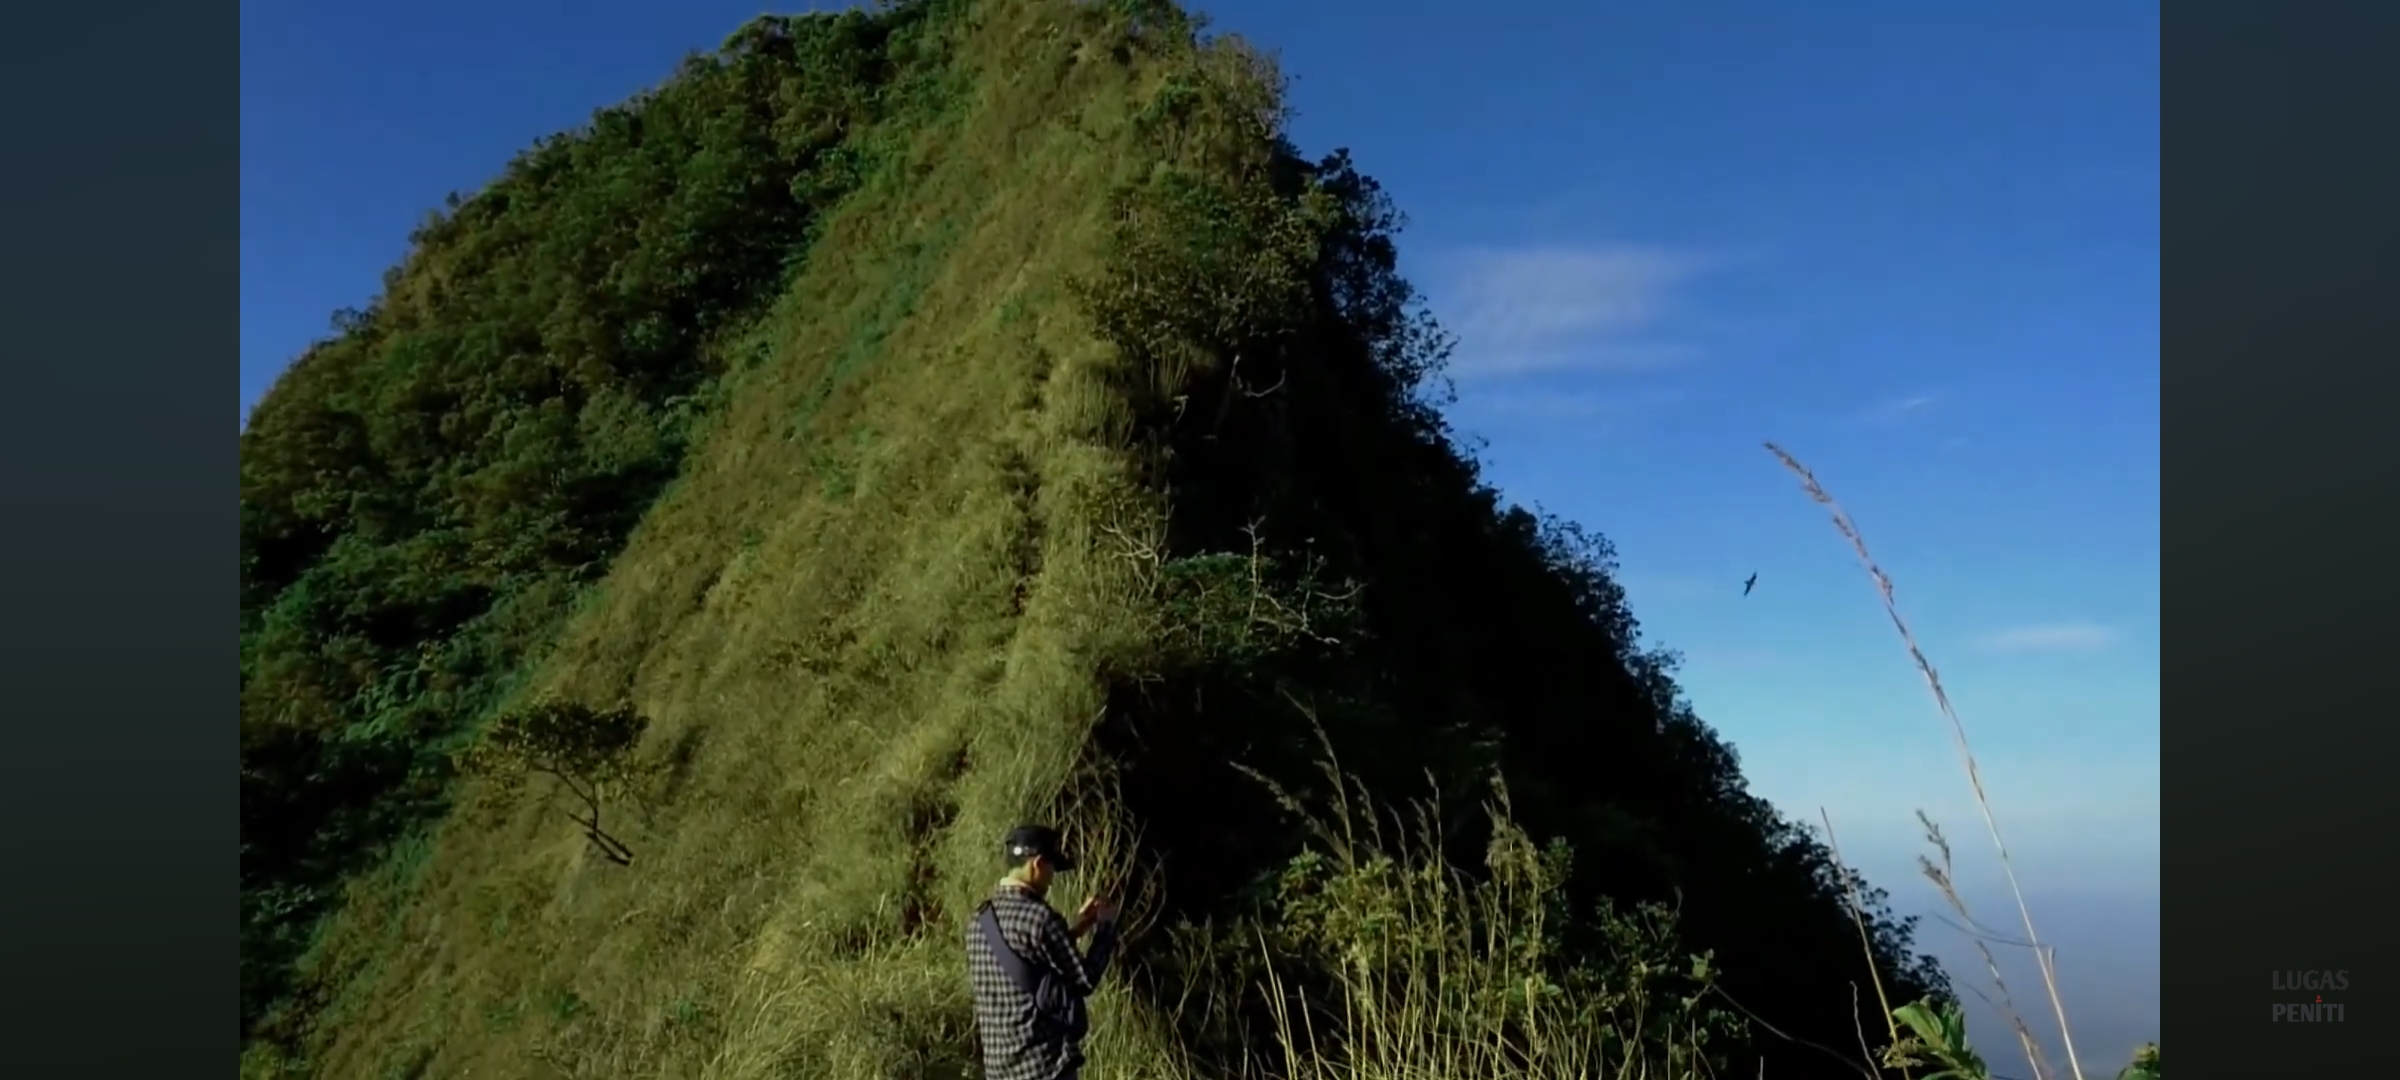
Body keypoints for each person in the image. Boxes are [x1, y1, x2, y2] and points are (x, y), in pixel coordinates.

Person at [967, 823, 1120, 1080]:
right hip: (1045, 1068)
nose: (1052, 878)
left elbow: (1029, 959)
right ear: (1037, 864)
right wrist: (1106, 928)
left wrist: (1077, 928)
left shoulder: (978, 921)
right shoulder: (1041, 918)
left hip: (999, 1070)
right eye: (1051, 868)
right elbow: (1084, 979)